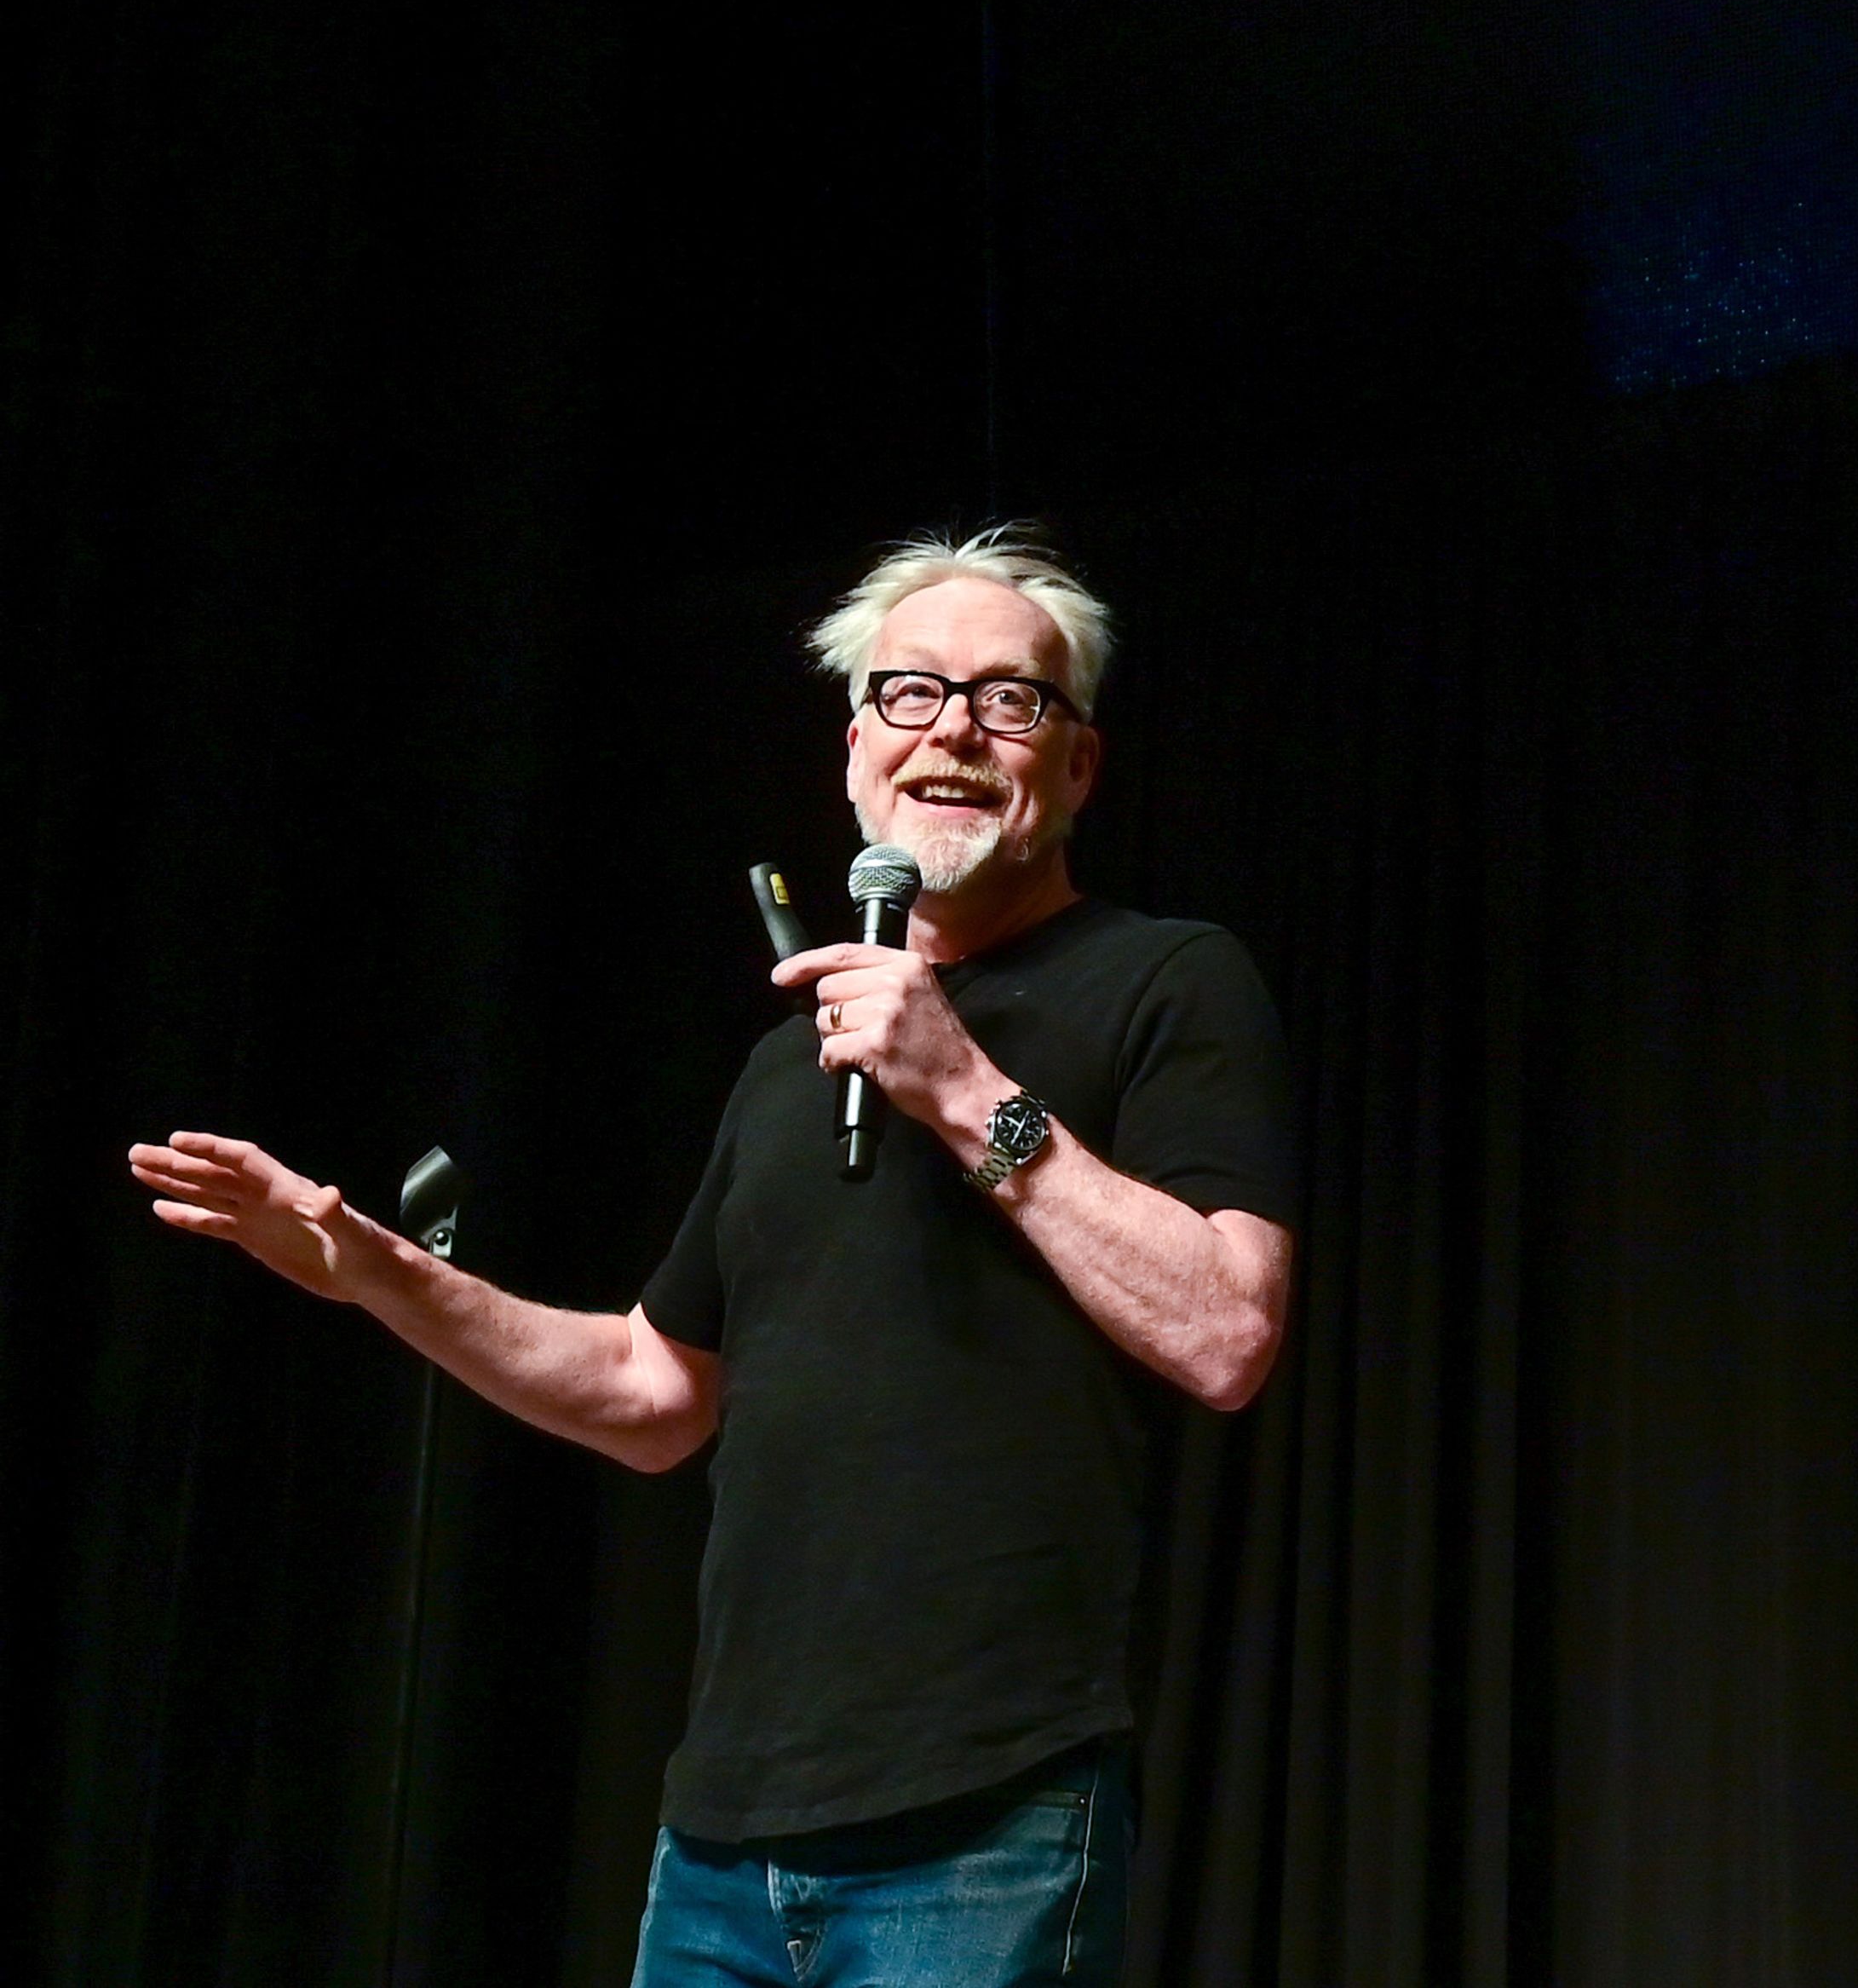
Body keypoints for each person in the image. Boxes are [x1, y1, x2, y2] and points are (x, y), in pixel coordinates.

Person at [129, 527, 1297, 1987]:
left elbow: (1228, 1333)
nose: (955, 732)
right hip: (723, 1845)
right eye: (913, 694)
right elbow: (649, 1391)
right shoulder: (782, 1069)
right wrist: (379, 1269)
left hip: (987, 1823)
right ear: (857, 749)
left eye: (1011, 701)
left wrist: (968, 1094)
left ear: (1076, 766)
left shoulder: (1168, 982)